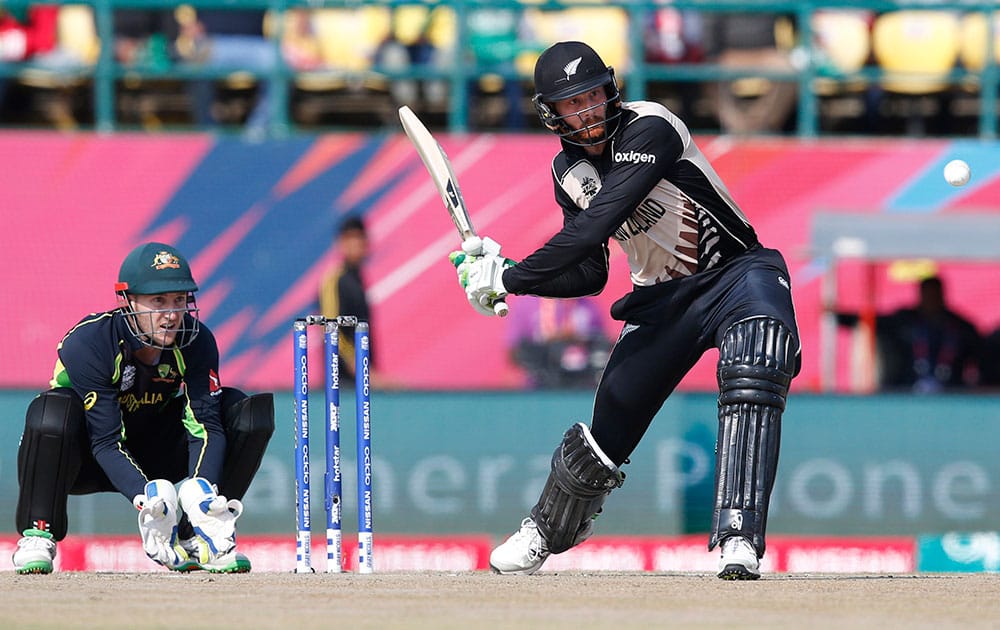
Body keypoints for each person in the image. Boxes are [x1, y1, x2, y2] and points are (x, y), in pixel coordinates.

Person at [451, 41, 801, 580]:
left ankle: (739, 537)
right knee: (608, 430)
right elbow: (590, 270)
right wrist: (509, 277)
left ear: (610, 90)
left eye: (592, 95)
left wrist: (512, 275)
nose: (586, 111)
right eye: (572, 103)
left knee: (758, 356)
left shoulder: (651, 128)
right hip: (660, 301)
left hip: (736, 275)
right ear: (552, 112)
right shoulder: (568, 173)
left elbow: (600, 220)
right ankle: (546, 530)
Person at [12, 242, 274, 575]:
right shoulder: (90, 341)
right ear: (128, 301)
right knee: (52, 412)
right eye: (158, 302)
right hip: (83, 457)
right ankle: (38, 535)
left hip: (153, 450)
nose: (171, 315)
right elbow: (105, 441)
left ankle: (203, 534)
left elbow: (204, 426)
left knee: (245, 412)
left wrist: (200, 493)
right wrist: (147, 500)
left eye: (179, 301)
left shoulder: (196, 340)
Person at [836, 275, 981, 392]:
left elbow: (980, 353)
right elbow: (871, 321)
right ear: (921, 295)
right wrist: (837, 316)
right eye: (928, 294)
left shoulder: (960, 327)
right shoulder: (904, 321)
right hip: (905, 389)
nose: (931, 300)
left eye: (935, 295)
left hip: (950, 391)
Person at [507, 295, 611, 389]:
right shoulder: (527, 303)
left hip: (582, 385)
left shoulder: (588, 305)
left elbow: (601, 348)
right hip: (539, 387)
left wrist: (576, 340)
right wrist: (546, 348)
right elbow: (513, 352)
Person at [319, 217, 373, 382]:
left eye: (359, 237)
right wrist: (359, 367)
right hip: (341, 385)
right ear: (340, 243)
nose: (355, 244)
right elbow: (331, 330)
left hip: (361, 381)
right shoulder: (334, 280)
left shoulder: (358, 280)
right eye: (350, 238)